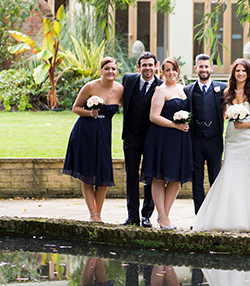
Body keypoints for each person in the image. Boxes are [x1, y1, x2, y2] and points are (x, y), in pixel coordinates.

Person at [193, 58, 250, 233]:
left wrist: (245, 124)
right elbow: (223, 116)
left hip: (248, 138)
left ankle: (249, 217)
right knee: (229, 173)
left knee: (248, 174)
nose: (240, 73)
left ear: (248, 73)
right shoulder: (226, 92)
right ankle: (226, 217)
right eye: (237, 70)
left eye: (243, 70)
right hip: (232, 138)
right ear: (233, 73)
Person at [63, 57, 124, 222]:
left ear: (116, 71)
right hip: (86, 133)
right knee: (88, 174)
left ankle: (98, 211)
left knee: (104, 176)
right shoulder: (90, 86)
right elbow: (75, 108)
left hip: (105, 135)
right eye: (107, 68)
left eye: (113, 68)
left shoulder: (120, 90)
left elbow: (129, 109)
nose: (110, 71)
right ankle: (94, 214)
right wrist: (90, 113)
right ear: (101, 71)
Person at [141, 57, 192, 229]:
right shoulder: (161, 90)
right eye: (167, 70)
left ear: (178, 71)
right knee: (159, 177)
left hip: (179, 140)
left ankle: (165, 216)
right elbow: (153, 116)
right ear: (162, 72)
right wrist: (174, 125)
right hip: (161, 138)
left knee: (176, 179)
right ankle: (162, 217)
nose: (171, 73)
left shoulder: (182, 88)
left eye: (174, 69)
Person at [121, 52, 163, 227]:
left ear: (156, 66)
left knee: (149, 178)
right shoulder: (128, 80)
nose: (147, 68)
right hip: (131, 137)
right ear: (138, 67)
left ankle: (146, 215)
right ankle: (132, 216)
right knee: (131, 177)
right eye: (144, 65)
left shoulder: (161, 86)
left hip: (151, 139)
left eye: (150, 65)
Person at [184, 54, 227, 213]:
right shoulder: (188, 90)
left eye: (206, 66)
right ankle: (200, 216)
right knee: (197, 181)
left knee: (215, 178)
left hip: (214, 140)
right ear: (196, 68)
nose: (203, 69)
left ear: (211, 69)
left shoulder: (221, 88)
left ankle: (215, 215)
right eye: (200, 66)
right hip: (195, 141)